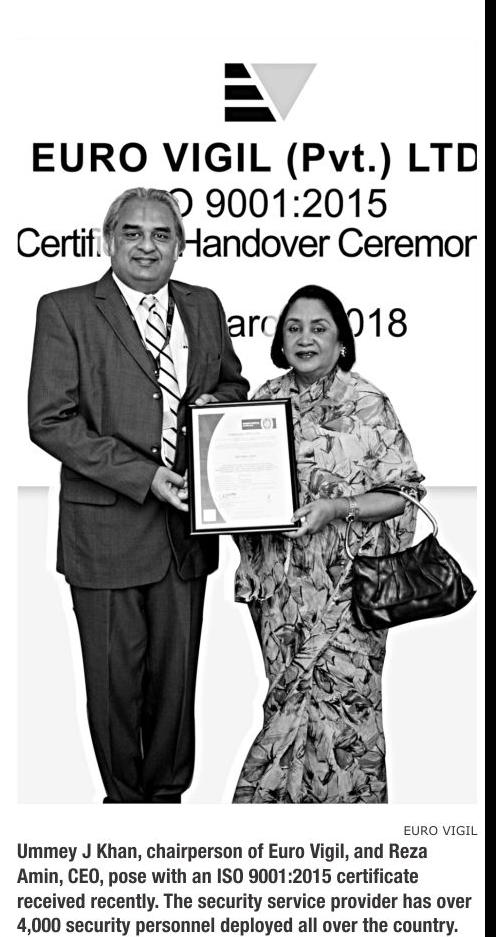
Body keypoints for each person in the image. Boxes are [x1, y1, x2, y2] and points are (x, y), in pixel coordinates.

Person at [28, 187, 249, 803]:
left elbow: (233, 385)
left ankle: (168, 802)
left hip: (185, 535)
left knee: (176, 686)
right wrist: (143, 476)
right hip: (106, 532)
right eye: (133, 233)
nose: (147, 245)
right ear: (109, 241)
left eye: (161, 234)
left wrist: (216, 404)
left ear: (179, 246)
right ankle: (125, 809)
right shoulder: (67, 310)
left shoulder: (204, 305)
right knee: (115, 685)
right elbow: (49, 420)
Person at [233, 285, 424, 804]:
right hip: (281, 592)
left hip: (350, 592)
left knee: (347, 711)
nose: (305, 338)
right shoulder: (262, 401)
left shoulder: (368, 403)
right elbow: (237, 485)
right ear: (280, 341)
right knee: (288, 702)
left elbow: (403, 495)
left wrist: (338, 508)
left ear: (341, 341)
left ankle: (351, 832)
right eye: (293, 328)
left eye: (319, 328)